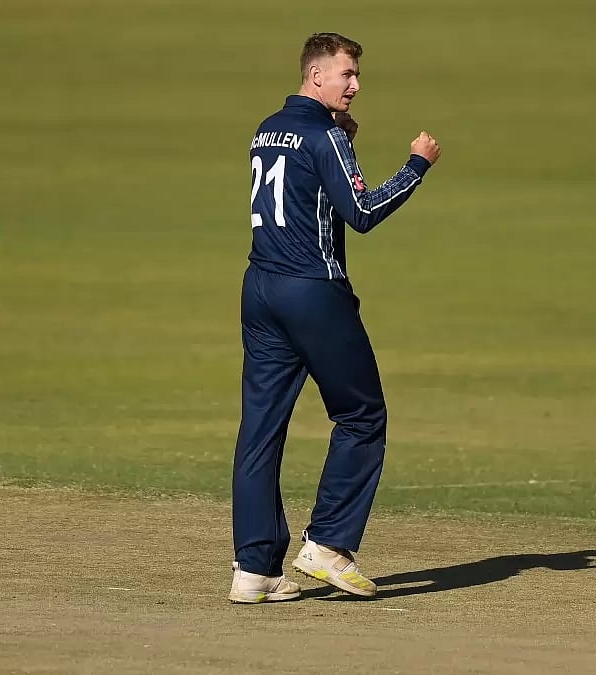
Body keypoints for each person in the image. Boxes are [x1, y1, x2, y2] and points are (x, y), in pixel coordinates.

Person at [228, 32, 442, 604]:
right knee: (362, 416)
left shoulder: (265, 128)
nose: (355, 86)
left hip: (260, 289)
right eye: (346, 74)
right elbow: (363, 212)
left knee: (259, 432)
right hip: (313, 293)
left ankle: (253, 569)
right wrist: (417, 166)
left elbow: (299, 189)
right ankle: (327, 546)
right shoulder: (326, 135)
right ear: (315, 74)